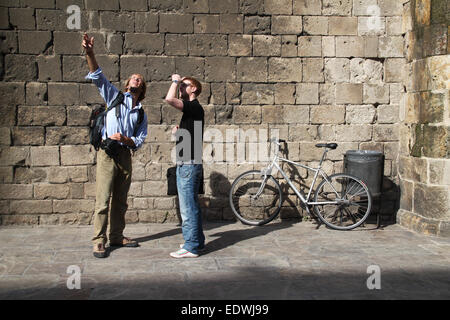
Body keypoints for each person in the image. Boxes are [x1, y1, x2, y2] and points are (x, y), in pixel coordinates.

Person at [82, 33, 148, 258]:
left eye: (139, 78)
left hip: (125, 155)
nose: (135, 79)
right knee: (103, 199)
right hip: (107, 153)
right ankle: (98, 240)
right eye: (132, 78)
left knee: (121, 200)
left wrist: (127, 140)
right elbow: (98, 75)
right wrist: (90, 52)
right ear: (127, 84)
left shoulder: (141, 114)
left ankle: (117, 236)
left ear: (143, 87)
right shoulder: (114, 97)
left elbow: (139, 140)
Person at [165, 74, 205, 258]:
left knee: (187, 208)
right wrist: (179, 134)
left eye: (184, 85)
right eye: (180, 85)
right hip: (189, 163)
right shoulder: (192, 112)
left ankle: (191, 247)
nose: (180, 88)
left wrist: (174, 81)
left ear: (193, 89)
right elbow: (191, 139)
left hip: (188, 166)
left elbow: (169, 99)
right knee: (192, 205)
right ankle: (197, 241)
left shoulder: (194, 107)